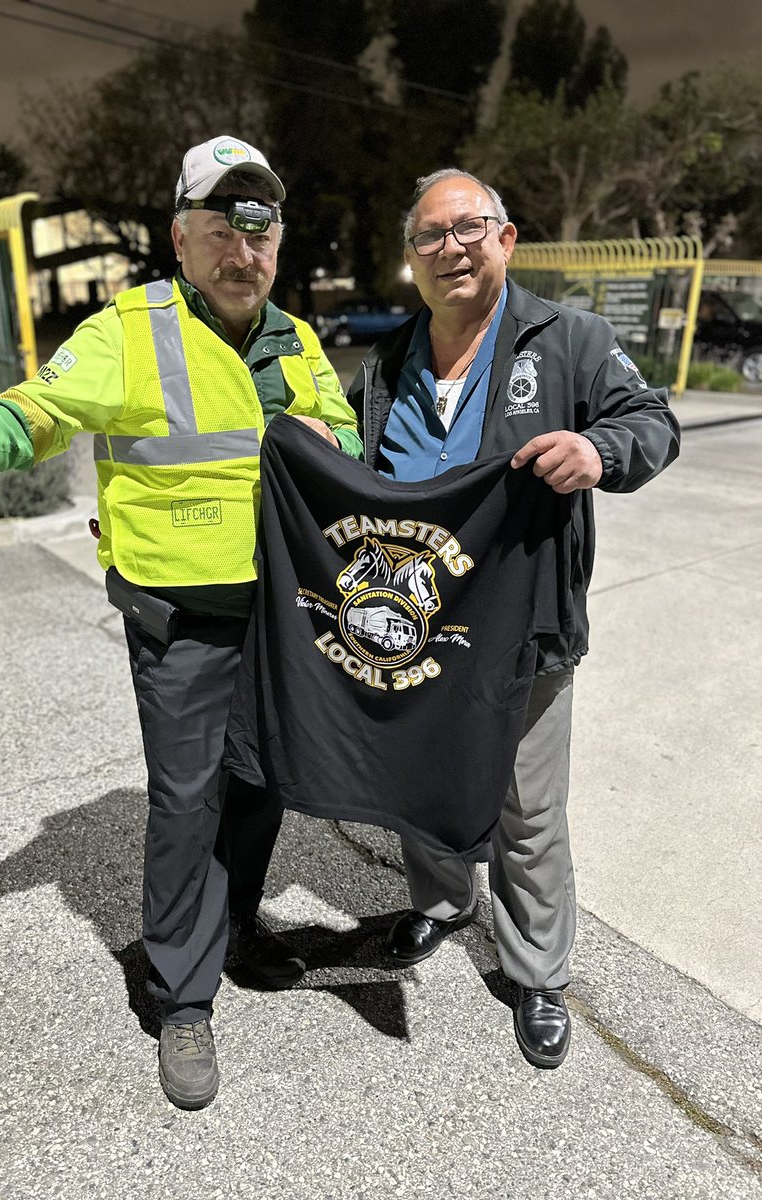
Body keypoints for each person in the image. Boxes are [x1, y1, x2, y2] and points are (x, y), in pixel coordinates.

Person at [0, 136, 361, 1110]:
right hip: (179, 623)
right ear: (181, 236)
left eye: (261, 227)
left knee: (263, 788)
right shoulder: (129, 330)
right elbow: (37, 414)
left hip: (283, 622)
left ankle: (240, 923)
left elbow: (344, 440)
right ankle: (182, 996)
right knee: (186, 803)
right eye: (222, 224)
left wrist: (334, 444)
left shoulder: (299, 343)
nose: (243, 246)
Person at [345, 168, 680, 1069]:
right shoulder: (384, 363)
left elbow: (654, 422)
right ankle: (444, 902)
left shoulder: (569, 340)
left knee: (529, 808)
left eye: (468, 228)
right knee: (419, 783)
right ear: (410, 257)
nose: (449, 247)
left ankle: (538, 971)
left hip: (527, 626)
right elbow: (342, 473)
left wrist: (598, 448)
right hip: (416, 626)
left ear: (506, 239)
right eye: (429, 235)